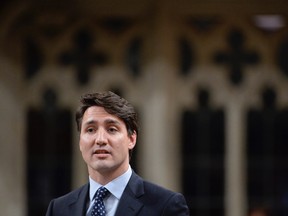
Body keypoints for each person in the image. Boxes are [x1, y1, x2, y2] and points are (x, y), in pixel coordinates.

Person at [46, 91, 190, 216]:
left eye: (112, 129)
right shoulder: (58, 209)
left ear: (131, 139)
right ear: (80, 141)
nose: (100, 140)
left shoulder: (165, 206)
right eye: (90, 130)